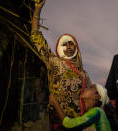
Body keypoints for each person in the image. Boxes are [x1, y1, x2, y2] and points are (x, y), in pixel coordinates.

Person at [31, 0, 92, 129]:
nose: (69, 47)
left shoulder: (84, 73)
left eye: (72, 44)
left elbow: (91, 99)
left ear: (76, 48)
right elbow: (36, 37)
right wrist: (37, 10)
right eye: (65, 44)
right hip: (58, 122)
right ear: (60, 48)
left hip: (80, 123)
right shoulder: (54, 62)